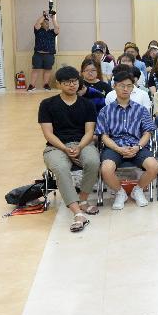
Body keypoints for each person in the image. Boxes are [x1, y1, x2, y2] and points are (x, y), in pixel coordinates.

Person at [39, 66, 101, 232]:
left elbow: (89, 131)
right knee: (60, 168)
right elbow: (48, 134)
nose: (71, 85)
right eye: (67, 82)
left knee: (93, 161)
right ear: (59, 84)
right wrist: (65, 149)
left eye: (74, 81)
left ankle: (84, 199)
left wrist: (80, 146)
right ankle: (77, 212)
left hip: (82, 143)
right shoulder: (47, 104)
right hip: (55, 147)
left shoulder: (87, 104)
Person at [96, 71, 158, 210]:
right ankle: (120, 192)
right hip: (114, 147)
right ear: (114, 86)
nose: (125, 89)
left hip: (136, 146)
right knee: (106, 169)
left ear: (133, 87)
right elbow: (104, 136)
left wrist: (137, 147)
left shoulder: (141, 110)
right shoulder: (105, 111)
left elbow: (147, 132)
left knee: (154, 166)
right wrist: (118, 149)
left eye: (129, 86)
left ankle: (138, 189)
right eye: (122, 86)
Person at [29, 8, 59, 91]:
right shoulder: (38, 31)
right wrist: (44, 15)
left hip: (49, 54)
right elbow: (36, 24)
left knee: (48, 69)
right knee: (35, 69)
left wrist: (53, 18)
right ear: (42, 23)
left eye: (47, 22)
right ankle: (32, 85)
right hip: (38, 54)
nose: (46, 23)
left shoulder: (52, 32)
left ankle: (46, 85)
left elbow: (57, 29)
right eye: (45, 22)